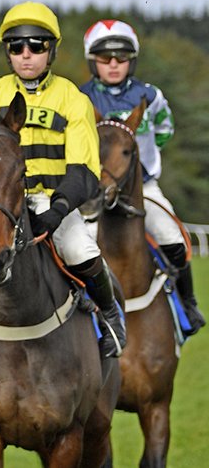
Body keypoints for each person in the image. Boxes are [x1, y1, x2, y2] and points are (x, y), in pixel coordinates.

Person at [0, 1, 127, 358]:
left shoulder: (72, 98)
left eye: (36, 46)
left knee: (79, 249)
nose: (26, 55)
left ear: (51, 50)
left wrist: (57, 211)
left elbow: (83, 168)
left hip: (55, 202)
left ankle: (112, 319)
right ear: (8, 53)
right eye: (16, 47)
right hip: (1, 204)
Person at [79, 19, 203, 334]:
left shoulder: (151, 95)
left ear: (132, 60)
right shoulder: (81, 98)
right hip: (96, 190)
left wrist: (141, 163)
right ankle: (77, 306)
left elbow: (165, 129)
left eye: (121, 57)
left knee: (173, 237)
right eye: (105, 58)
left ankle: (188, 303)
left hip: (143, 188)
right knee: (78, 245)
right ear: (93, 62)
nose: (114, 64)